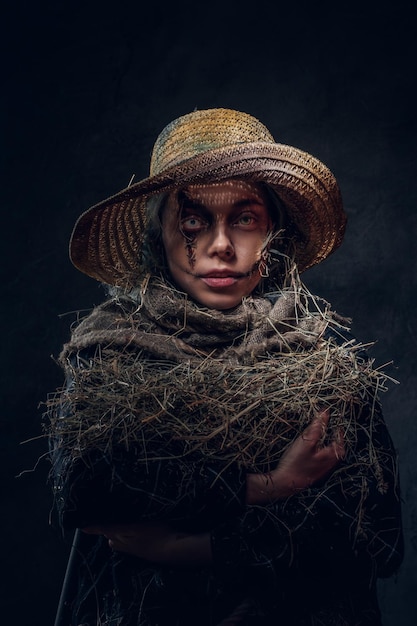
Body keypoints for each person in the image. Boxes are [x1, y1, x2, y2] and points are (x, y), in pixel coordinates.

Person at [46, 108, 403, 625]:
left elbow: (373, 541)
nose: (219, 245)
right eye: (193, 220)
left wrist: (185, 546)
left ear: (273, 234)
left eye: (244, 218)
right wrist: (268, 487)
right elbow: (85, 491)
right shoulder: (109, 354)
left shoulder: (325, 367)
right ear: (159, 237)